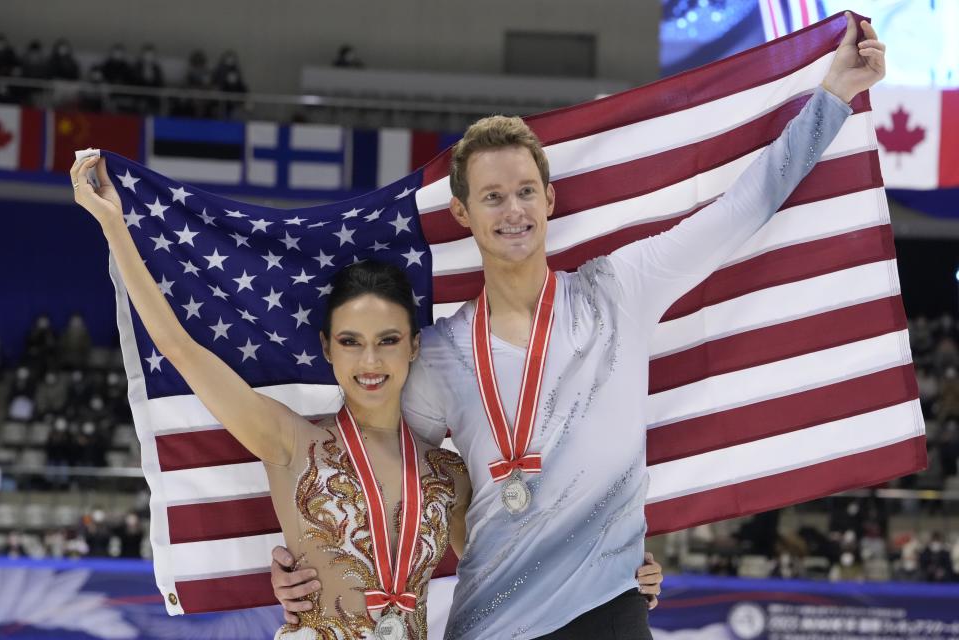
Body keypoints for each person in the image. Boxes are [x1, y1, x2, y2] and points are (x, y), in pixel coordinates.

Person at [271, 12, 886, 640]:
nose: (513, 211)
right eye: (492, 196)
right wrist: (302, 561)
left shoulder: (618, 291)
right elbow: (372, 473)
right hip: (491, 623)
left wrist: (833, 96)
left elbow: (737, 212)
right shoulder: (441, 356)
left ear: (549, 199)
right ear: (462, 211)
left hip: (610, 612)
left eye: (525, 192)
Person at [70, 156, 472, 639]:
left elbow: (497, 572)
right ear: (327, 347)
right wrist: (115, 224)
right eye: (351, 341)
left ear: (414, 345)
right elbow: (178, 348)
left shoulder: (447, 474)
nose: (370, 361)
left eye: (387, 340)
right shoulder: (289, 440)